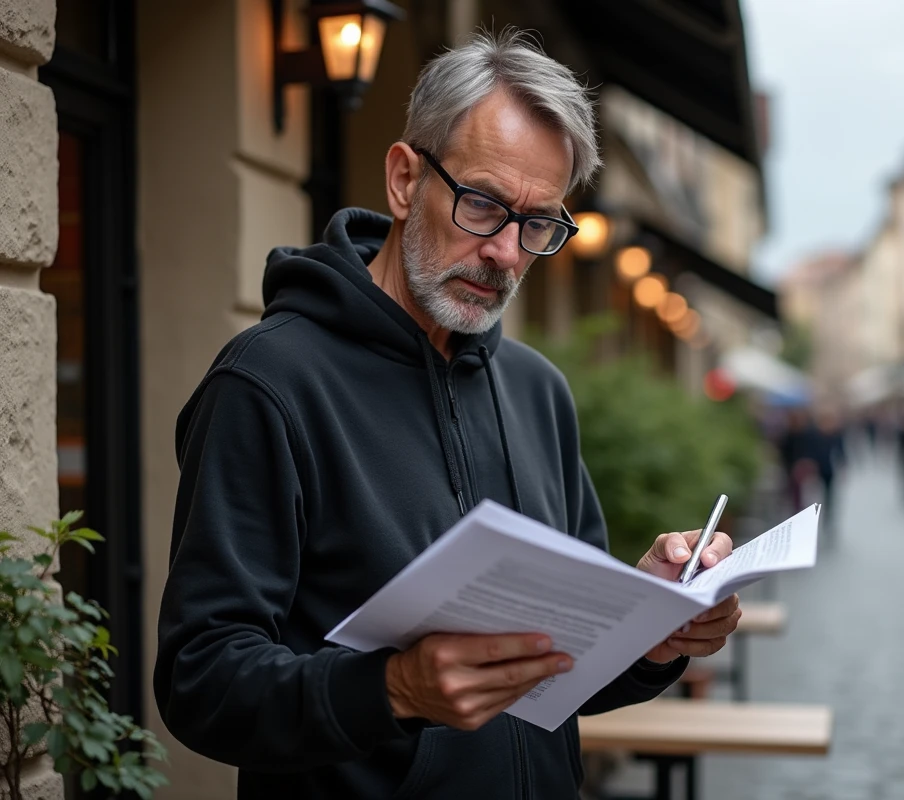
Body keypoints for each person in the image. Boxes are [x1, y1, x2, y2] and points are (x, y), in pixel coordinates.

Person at [153, 30, 741, 799]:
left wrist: (647, 629)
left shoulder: (538, 389)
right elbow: (200, 683)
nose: (505, 251)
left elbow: (560, 677)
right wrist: (393, 690)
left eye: (537, 225)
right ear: (404, 180)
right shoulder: (268, 383)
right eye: (484, 204)